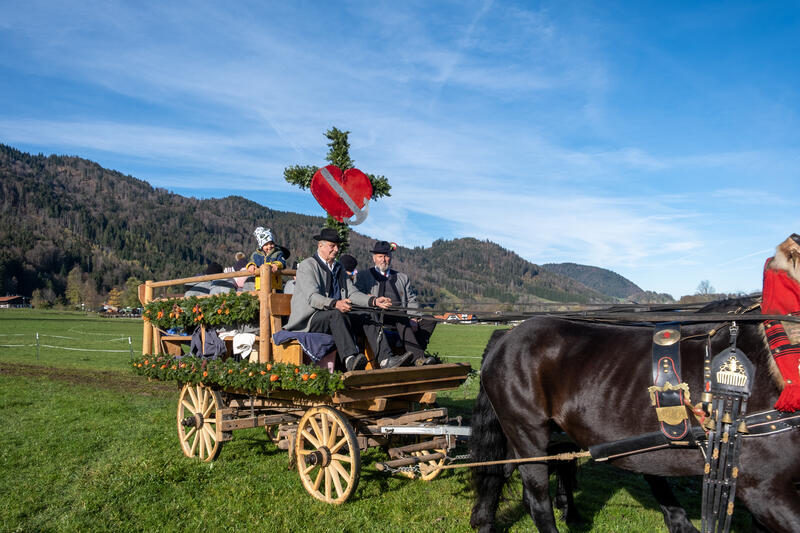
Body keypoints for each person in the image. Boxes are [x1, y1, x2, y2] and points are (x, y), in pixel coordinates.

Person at [283, 228, 411, 371]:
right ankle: (350, 359)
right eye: (333, 246)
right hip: (310, 319)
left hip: (337, 315)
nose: (336, 249)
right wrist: (335, 303)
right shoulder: (308, 265)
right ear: (321, 245)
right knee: (336, 314)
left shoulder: (338, 268)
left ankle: (385, 359)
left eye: (338, 246)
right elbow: (313, 297)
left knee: (368, 313)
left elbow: (352, 293)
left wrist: (374, 301)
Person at [356, 240, 438, 366]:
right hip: (379, 317)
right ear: (374, 258)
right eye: (380, 256)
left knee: (429, 319)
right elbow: (357, 295)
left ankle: (410, 351)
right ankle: (418, 358)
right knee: (399, 315)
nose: (384, 259)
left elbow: (411, 299)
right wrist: (371, 299)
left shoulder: (402, 277)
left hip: (403, 317)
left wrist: (414, 316)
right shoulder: (363, 276)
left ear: (391, 257)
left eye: (387, 255)